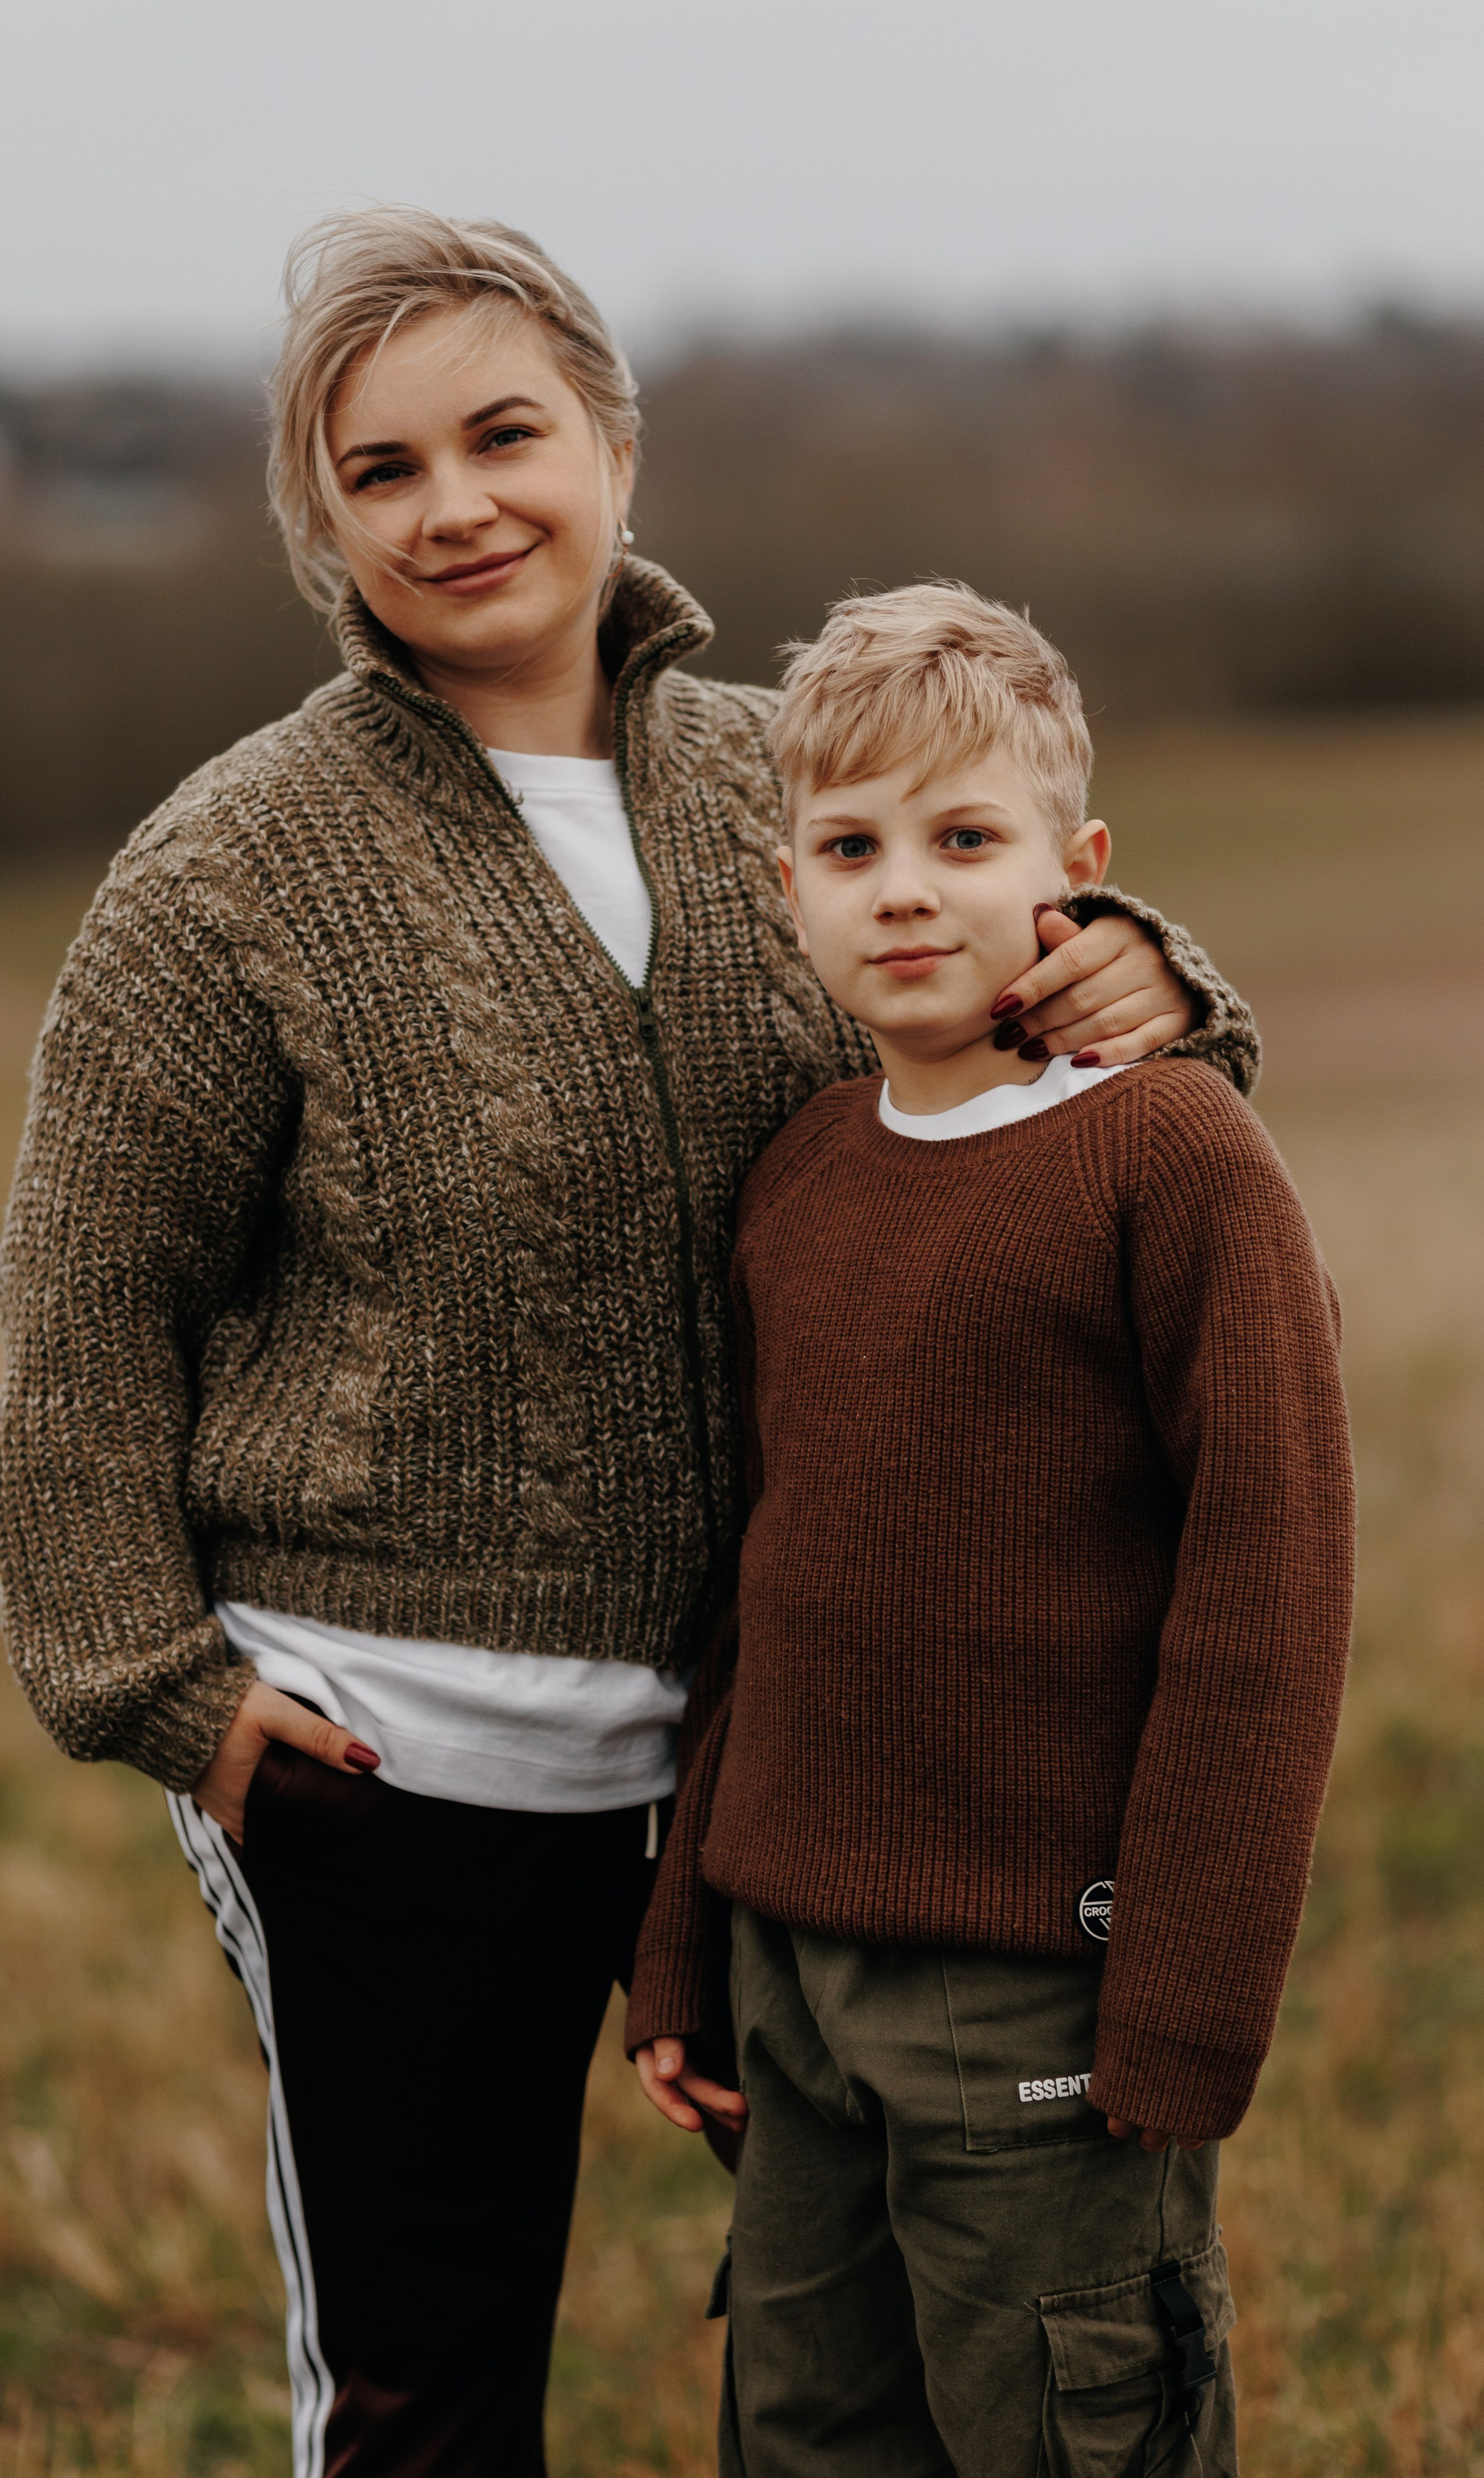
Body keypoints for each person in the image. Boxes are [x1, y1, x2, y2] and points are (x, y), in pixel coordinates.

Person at [0, 204, 1259, 2478]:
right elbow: (87, 1314)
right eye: (380, 471)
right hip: (395, 1767)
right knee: (432, 2382)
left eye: (506, 432)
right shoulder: (228, 875)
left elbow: (1036, 1054)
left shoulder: (804, 786)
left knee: (868, 2336)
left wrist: (1155, 981)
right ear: (324, 527)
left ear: (614, 444)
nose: (457, 502)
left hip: (775, 1759)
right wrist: (166, 1696)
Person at [627, 584, 1354, 2478]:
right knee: (807, 2433)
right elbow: (765, 1591)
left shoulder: (1171, 1156)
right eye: (852, 849)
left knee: (1061, 2432)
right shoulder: (801, 1178)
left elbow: (1265, 1603)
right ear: (786, 884)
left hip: (1046, 1990)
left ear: (1079, 869)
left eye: (965, 840)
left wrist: (1187, 1996)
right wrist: (690, 1935)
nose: (906, 893)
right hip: (796, 1981)